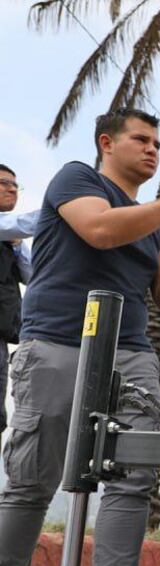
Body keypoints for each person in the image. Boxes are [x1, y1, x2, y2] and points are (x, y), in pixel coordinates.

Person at [0, 108, 160, 566]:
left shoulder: (156, 221)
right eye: (141, 139)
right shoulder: (77, 179)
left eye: (157, 143)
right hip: (60, 343)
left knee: (134, 477)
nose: (152, 150)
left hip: (132, 353)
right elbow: (99, 230)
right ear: (106, 142)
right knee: (32, 481)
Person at [0, 164, 38, 438]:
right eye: (4, 183)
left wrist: (16, 245)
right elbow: (25, 223)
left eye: (15, 184)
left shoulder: (10, 239)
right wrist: (59, 211)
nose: (12, 189)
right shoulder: (9, 227)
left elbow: (35, 275)